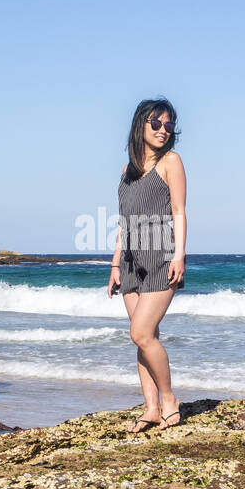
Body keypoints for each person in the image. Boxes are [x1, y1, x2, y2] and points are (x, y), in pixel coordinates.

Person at [107, 97, 187, 433]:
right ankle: (151, 408)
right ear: (141, 125)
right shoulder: (127, 171)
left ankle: (169, 399)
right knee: (144, 337)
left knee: (140, 333)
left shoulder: (171, 162)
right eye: (156, 123)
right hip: (129, 262)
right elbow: (125, 223)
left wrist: (179, 255)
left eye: (168, 125)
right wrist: (114, 265)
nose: (163, 130)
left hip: (159, 256)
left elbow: (180, 213)